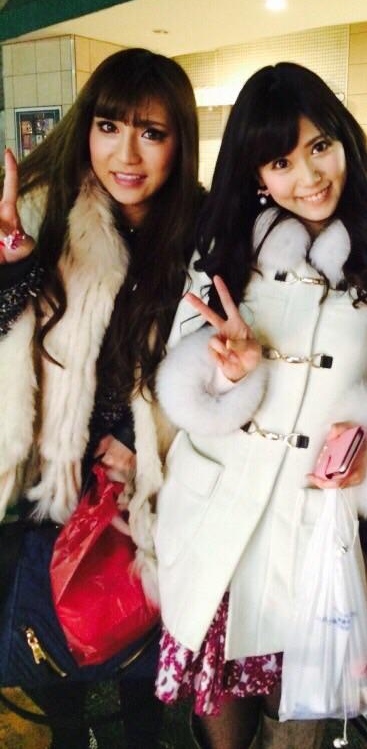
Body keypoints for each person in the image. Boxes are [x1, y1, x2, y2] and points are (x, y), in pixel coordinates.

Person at [153, 61, 367, 749]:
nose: (308, 176)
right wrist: (229, 373)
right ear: (257, 173)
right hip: (219, 523)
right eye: (281, 161)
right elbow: (182, 383)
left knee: (299, 726)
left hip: (317, 534)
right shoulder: (223, 246)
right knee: (221, 726)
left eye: (319, 147)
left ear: (344, 140)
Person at [0, 47, 202, 748]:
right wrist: (12, 271)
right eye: (110, 127)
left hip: (150, 478)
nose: (127, 154)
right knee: (52, 646)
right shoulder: (46, 212)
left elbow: (221, 364)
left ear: (180, 140)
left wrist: (147, 440)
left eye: (152, 133)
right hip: (57, 470)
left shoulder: (205, 232)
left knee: (136, 655)